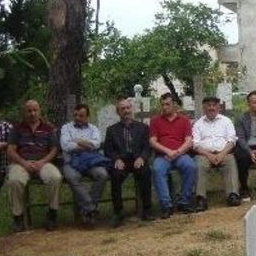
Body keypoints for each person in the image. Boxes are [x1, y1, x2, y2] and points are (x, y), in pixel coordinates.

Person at [6, 100, 63, 232]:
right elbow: (10, 150)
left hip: (43, 162)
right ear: (24, 112)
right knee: (14, 181)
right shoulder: (17, 129)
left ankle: (52, 214)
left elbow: (54, 149)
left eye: (35, 110)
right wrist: (24, 163)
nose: (32, 113)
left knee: (55, 177)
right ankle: (18, 217)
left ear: (39, 111)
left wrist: (42, 162)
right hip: (21, 163)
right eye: (29, 111)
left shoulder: (48, 128)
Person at [103, 98, 154, 227]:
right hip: (122, 161)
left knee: (145, 172)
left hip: (137, 160)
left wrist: (142, 158)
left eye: (128, 108)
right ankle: (118, 212)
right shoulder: (111, 130)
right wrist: (116, 159)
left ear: (131, 109)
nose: (126, 111)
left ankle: (147, 210)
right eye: (123, 109)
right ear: (118, 112)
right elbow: (108, 150)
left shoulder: (142, 128)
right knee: (115, 175)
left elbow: (147, 148)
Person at [60, 103, 109, 226]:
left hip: (90, 161)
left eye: (81, 116)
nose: (77, 118)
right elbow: (66, 146)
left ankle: (86, 211)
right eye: (75, 115)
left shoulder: (93, 129)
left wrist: (77, 141)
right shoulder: (66, 128)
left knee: (102, 174)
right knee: (71, 177)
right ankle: (90, 208)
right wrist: (87, 145)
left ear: (87, 117)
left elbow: (96, 144)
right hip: (71, 162)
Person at [149, 92, 197, 218]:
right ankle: (166, 205)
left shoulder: (184, 120)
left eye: (167, 104)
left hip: (180, 154)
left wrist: (177, 152)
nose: (164, 107)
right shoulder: (155, 121)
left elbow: (189, 141)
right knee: (157, 169)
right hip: (163, 156)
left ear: (175, 105)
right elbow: (152, 141)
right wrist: (168, 151)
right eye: (162, 104)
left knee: (191, 166)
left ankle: (184, 202)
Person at [192, 96, 241, 211]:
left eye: (214, 105)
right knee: (199, 164)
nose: (211, 108)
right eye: (208, 105)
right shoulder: (198, 124)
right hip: (204, 154)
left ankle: (232, 195)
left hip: (224, 153)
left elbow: (232, 140)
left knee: (231, 161)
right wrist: (209, 155)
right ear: (204, 107)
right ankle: (201, 199)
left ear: (218, 107)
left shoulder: (226, 121)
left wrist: (222, 154)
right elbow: (195, 144)